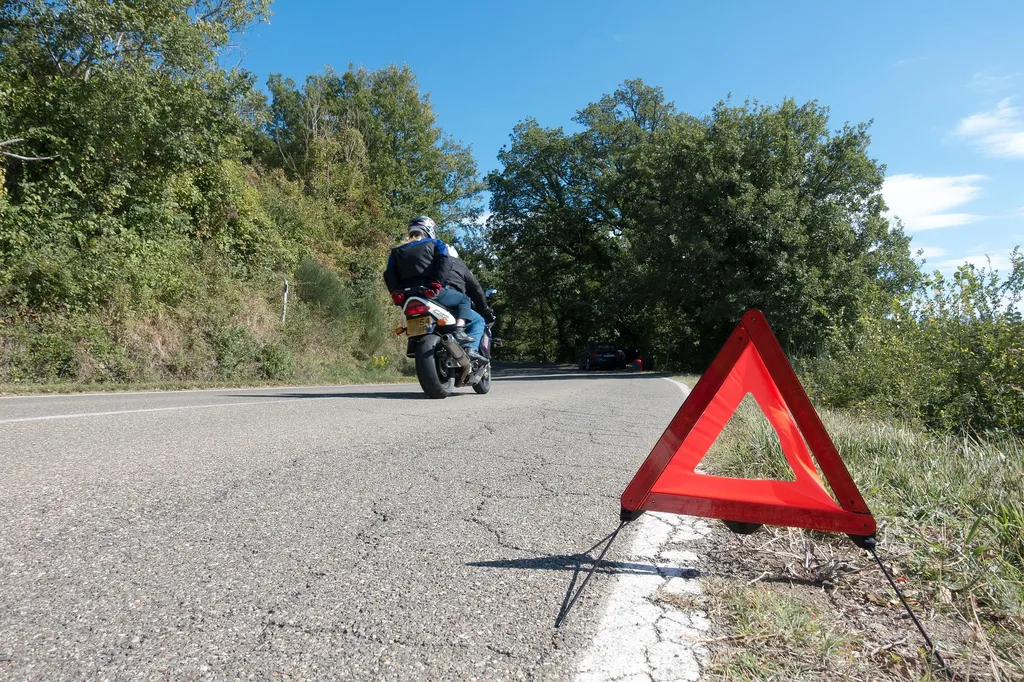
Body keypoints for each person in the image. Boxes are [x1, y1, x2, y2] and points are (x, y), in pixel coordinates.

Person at [383, 216, 475, 346]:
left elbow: (389, 273)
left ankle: (414, 339)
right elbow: (445, 263)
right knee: (464, 299)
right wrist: (437, 284)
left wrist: (395, 292)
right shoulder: (437, 243)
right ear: (429, 230)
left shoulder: (396, 251)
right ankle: (459, 331)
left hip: (407, 296)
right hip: (429, 291)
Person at [445, 246, 494, 354]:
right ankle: (470, 349)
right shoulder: (458, 264)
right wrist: (484, 309)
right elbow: (476, 289)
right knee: (479, 320)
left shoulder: (431, 263)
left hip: (431, 300)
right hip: (451, 302)